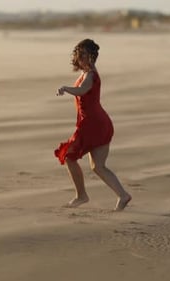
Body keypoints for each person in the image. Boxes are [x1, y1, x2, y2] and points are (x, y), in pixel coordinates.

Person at [55, 39, 132, 211]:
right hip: (97, 123)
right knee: (98, 166)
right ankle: (123, 195)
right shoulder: (86, 73)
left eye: (83, 55)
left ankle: (81, 196)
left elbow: (82, 90)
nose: (79, 58)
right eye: (78, 54)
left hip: (94, 125)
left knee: (69, 156)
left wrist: (66, 88)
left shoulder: (91, 75)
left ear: (90, 57)